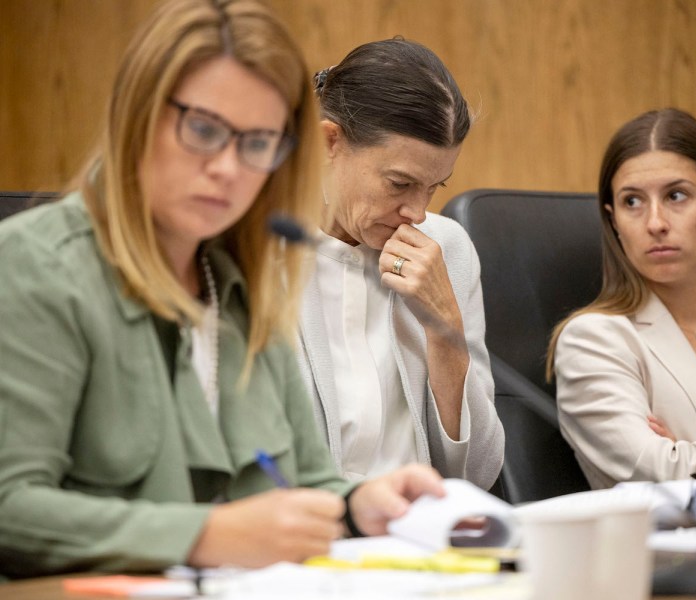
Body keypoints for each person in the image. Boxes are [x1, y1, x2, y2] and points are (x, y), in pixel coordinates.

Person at [0, 0, 445, 579]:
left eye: (258, 143)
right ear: (137, 115)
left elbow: (306, 482)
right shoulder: (34, 266)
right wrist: (205, 535)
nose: (229, 169)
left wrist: (358, 505)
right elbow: (10, 508)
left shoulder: (248, 278)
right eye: (204, 130)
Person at [296, 39, 503, 489]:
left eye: (433, 187)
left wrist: (446, 332)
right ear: (329, 142)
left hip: (425, 540)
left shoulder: (447, 248)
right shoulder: (254, 254)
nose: (416, 212)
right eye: (400, 183)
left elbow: (480, 476)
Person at [548, 108, 696, 490]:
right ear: (613, 221)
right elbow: (656, 469)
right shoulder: (592, 340)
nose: (655, 222)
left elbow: (683, 471)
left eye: (676, 195)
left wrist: (691, 459)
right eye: (632, 202)